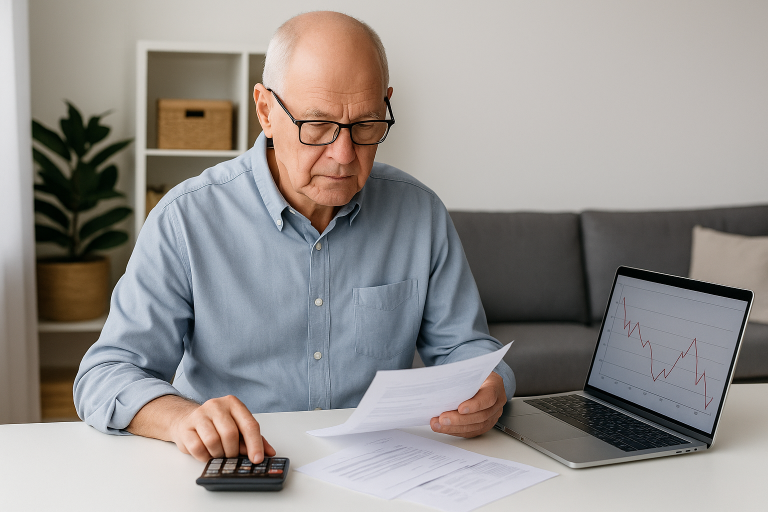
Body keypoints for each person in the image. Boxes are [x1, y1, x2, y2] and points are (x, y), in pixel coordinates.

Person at [74, 11, 515, 464]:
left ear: (386, 105)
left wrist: (490, 385)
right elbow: (106, 375)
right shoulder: (185, 219)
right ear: (265, 110)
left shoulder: (420, 214)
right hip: (239, 471)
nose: (343, 156)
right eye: (317, 125)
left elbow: (466, 347)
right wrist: (181, 418)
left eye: (366, 125)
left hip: (377, 470)